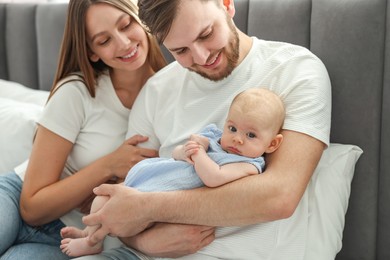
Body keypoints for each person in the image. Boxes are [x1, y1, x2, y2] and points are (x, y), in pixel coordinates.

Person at [80, 0, 332, 259]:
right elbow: (125, 200)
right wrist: (141, 241)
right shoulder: (156, 91)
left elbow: (278, 197)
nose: (201, 57)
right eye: (180, 50)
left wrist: (149, 208)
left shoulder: (295, 71)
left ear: (226, 4)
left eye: (206, 35)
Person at [0, 0, 166, 259]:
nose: (123, 43)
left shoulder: (171, 95)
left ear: (141, 18)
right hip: (15, 200)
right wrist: (108, 166)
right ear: (92, 53)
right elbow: (31, 207)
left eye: (126, 25)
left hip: (78, 238)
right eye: (104, 40)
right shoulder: (78, 92)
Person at [60, 88, 285, 257]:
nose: (237, 138)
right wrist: (185, 150)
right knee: (100, 200)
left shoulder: (248, 164)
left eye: (251, 135)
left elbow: (214, 177)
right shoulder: (214, 137)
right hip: (153, 182)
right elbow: (176, 154)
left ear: (272, 144)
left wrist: (199, 154)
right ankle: (90, 234)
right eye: (233, 128)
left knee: (110, 209)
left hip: (163, 206)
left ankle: (92, 242)